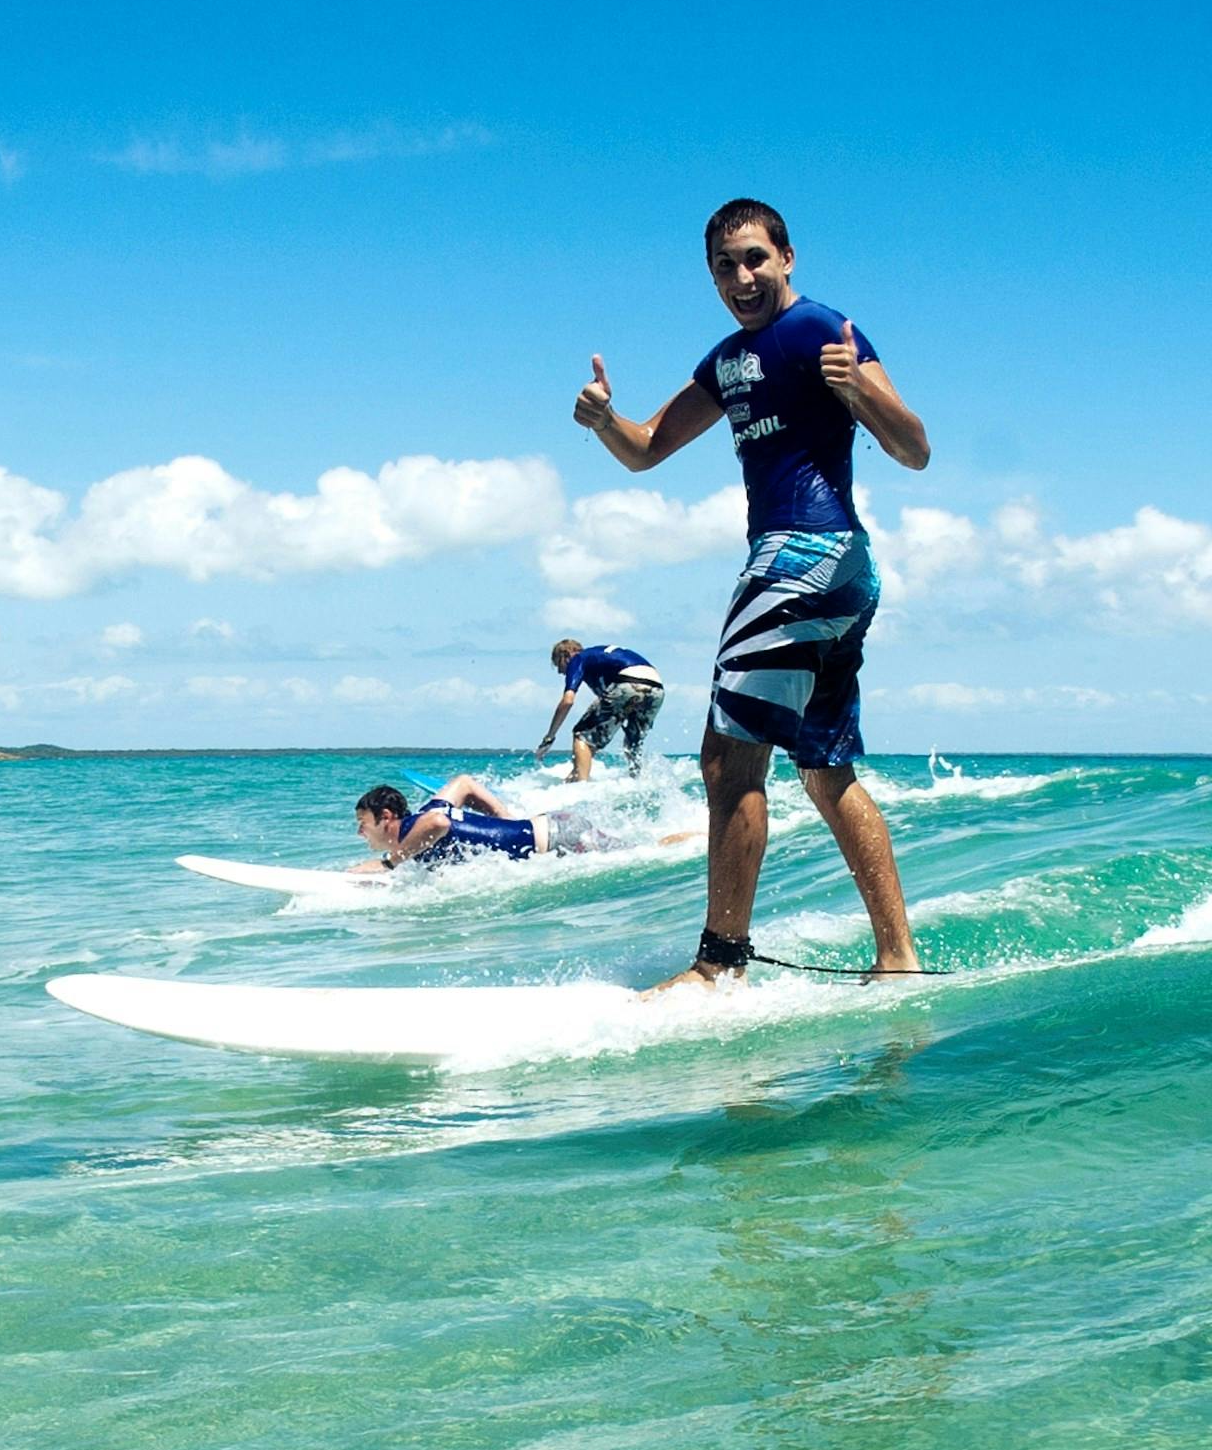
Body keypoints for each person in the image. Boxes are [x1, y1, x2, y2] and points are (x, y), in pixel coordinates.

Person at [569, 196, 931, 985]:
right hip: (833, 572)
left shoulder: (818, 330)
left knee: (728, 763)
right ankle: (897, 957)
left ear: (788, 256)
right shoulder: (727, 359)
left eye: (755, 258)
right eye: (725, 265)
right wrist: (603, 421)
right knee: (825, 771)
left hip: (802, 555)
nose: (742, 276)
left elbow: (914, 448)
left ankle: (719, 967)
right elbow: (646, 450)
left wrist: (861, 393)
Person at [349, 776, 692, 873]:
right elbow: (465, 783)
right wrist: (507, 820)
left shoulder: (418, 827)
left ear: (387, 818)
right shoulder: (424, 815)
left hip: (559, 838)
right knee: (639, 849)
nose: (360, 833)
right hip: (553, 828)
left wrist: (388, 864)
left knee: (649, 852)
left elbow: (439, 823)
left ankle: (698, 839)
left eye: (363, 823)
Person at [537, 637, 667, 779]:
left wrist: (550, 736)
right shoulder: (599, 660)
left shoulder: (578, 658)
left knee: (582, 735)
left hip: (627, 682)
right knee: (632, 743)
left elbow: (568, 701)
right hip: (657, 689)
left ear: (566, 654)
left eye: (558, 664)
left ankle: (580, 787)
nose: (560, 672)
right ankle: (637, 782)